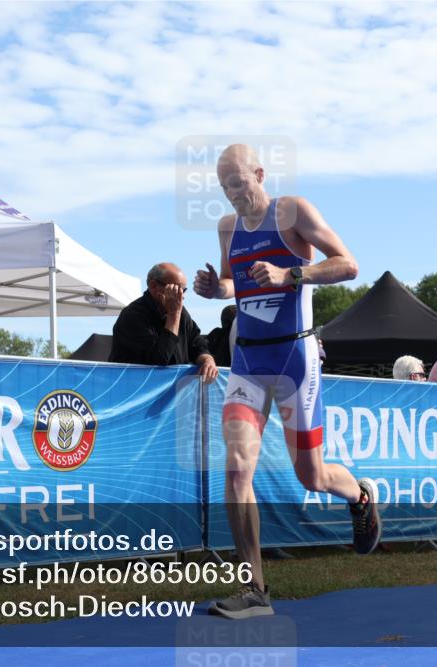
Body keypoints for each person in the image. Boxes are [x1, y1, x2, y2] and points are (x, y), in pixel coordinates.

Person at [194, 144, 380, 620]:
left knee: (311, 476)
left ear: (259, 174)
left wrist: (291, 273)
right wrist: (217, 289)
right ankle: (254, 589)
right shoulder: (228, 227)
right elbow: (236, 284)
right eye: (224, 187)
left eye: (239, 183)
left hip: (295, 357)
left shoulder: (293, 211)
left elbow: (348, 264)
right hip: (248, 362)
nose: (233, 194)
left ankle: (359, 496)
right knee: (237, 468)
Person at [109, 262, 218, 383]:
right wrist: (173, 314)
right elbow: (159, 360)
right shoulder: (133, 315)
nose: (181, 296)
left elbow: (198, 345)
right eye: (175, 289)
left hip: (175, 392)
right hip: (137, 390)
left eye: (183, 290)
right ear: (153, 286)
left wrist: (207, 360)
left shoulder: (182, 314)